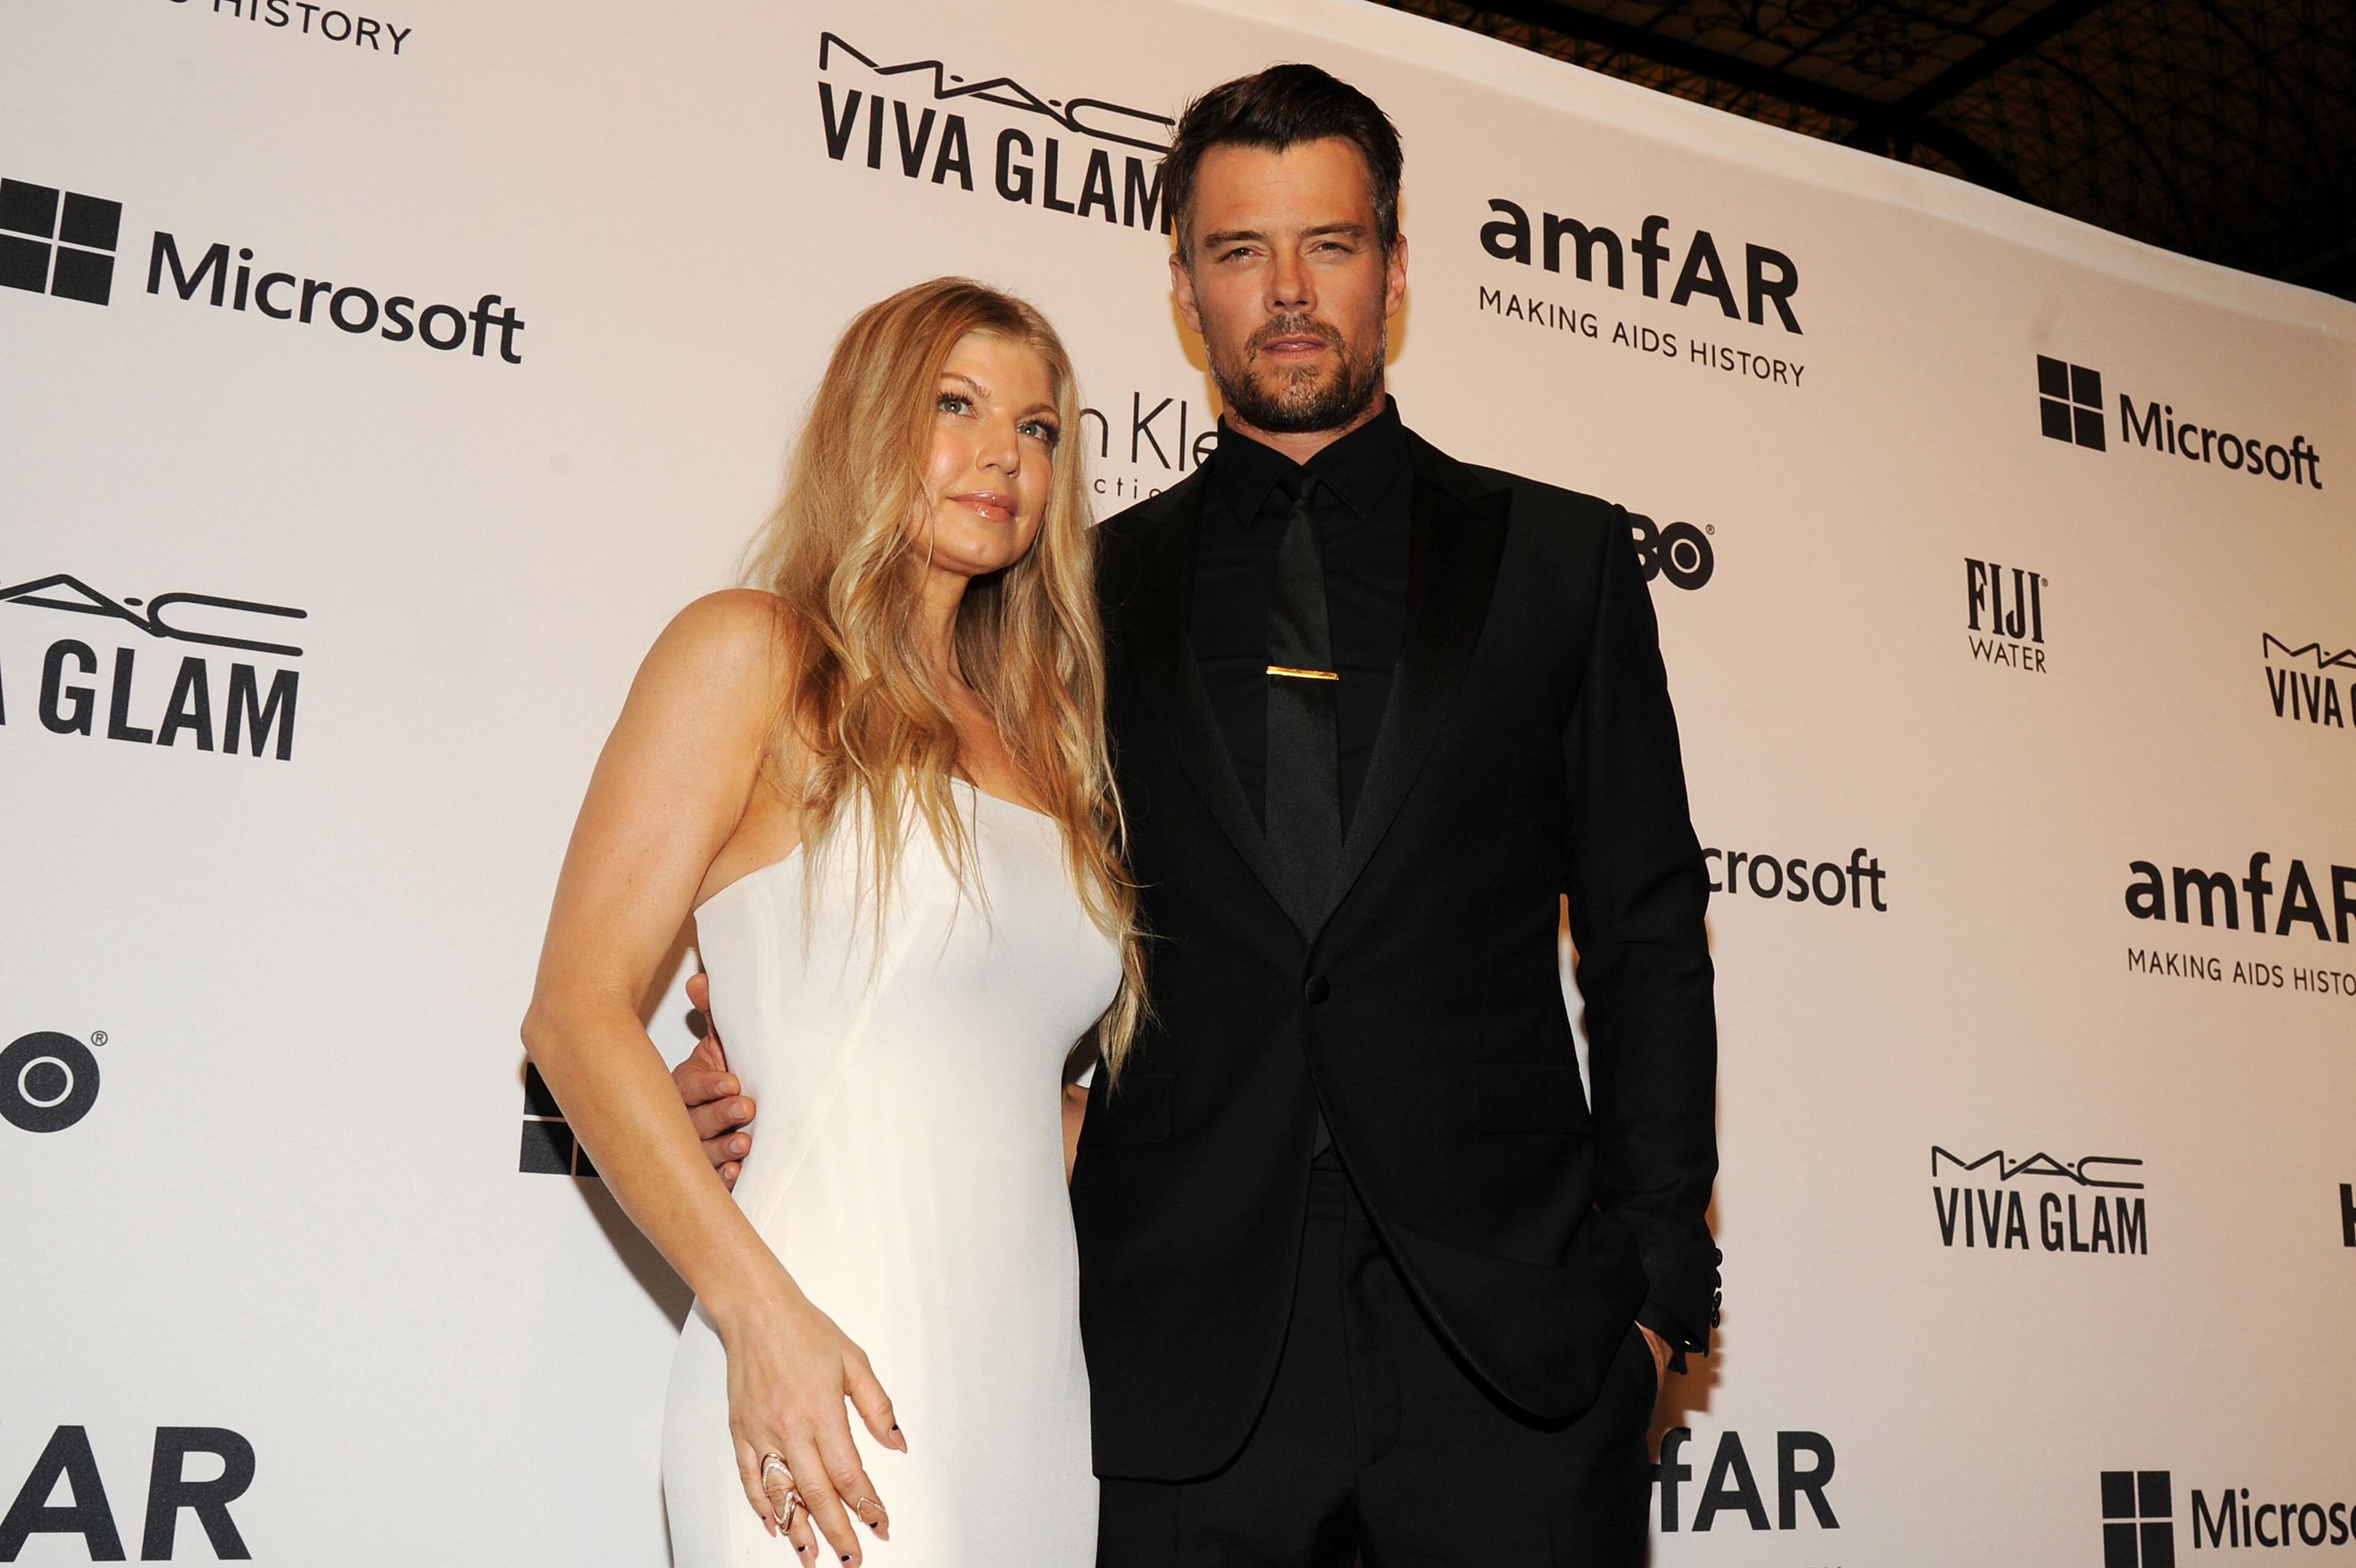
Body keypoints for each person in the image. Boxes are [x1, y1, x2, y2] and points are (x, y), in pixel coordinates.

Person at [680, 65, 1719, 1566]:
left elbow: (1644, 936)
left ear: (1398, 266)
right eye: (1241, 254)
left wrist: (1653, 1294)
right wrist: (750, 1051)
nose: (1289, 293)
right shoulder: (1071, 597)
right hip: (1175, 1354)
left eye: (1331, 246)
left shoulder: (1561, 564)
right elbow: (911, 879)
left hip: (1517, 1356)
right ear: (1184, 286)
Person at [524, 277, 1143, 1568]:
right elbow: (577, 1013)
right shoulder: (752, 655)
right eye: (955, 405)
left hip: (1032, 1400)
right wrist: (761, 1321)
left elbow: (1024, 1102)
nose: (1003, 457)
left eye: (1039, 430)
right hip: (819, 1367)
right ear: (869, 424)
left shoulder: (1057, 754)